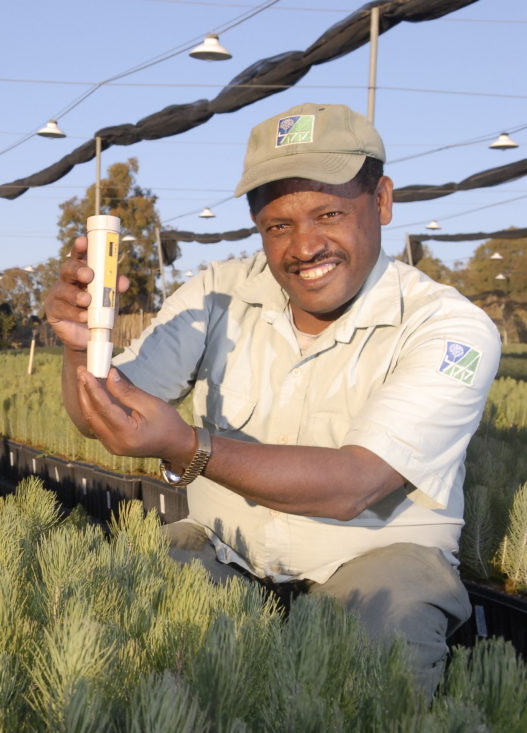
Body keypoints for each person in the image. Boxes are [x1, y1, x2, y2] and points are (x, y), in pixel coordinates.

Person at [44, 102, 500, 698]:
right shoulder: (217, 292)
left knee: (368, 691)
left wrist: (190, 447)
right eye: (277, 226)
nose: (304, 246)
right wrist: (84, 348)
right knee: (122, 665)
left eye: (329, 213)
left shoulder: (449, 327)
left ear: (382, 201)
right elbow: (99, 416)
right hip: (221, 551)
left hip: (375, 562)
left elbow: (354, 484)